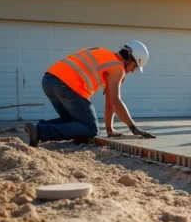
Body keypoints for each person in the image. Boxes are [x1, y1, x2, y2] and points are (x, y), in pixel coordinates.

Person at [24, 41, 156, 146]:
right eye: (135, 67)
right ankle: (40, 132)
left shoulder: (103, 53)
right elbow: (115, 101)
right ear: (131, 59)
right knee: (90, 128)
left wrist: (110, 130)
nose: (133, 71)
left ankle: (36, 128)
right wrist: (133, 127)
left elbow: (110, 102)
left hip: (49, 80)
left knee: (73, 121)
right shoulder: (117, 68)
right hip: (67, 85)